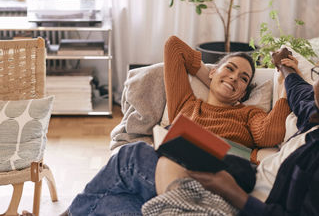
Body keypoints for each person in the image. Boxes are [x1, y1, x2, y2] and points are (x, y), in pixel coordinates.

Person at [57, 35, 290, 215]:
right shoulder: (187, 104)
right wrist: (208, 75)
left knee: (130, 155)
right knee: (110, 202)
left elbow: (271, 133)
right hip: (167, 175)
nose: (234, 78)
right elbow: (174, 47)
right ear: (212, 71)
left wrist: (282, 84)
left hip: (211, 182)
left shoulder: (247, 114)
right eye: (230, 69)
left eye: (243, 79)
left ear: (243, 92)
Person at [187, 38, 319, 215]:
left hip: (249, 200)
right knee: (177, 149)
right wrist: (284, 67)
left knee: (162, 163)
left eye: (318, 74)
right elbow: (299, 90)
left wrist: (233, 193)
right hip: (249, 175)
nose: (313, 83)